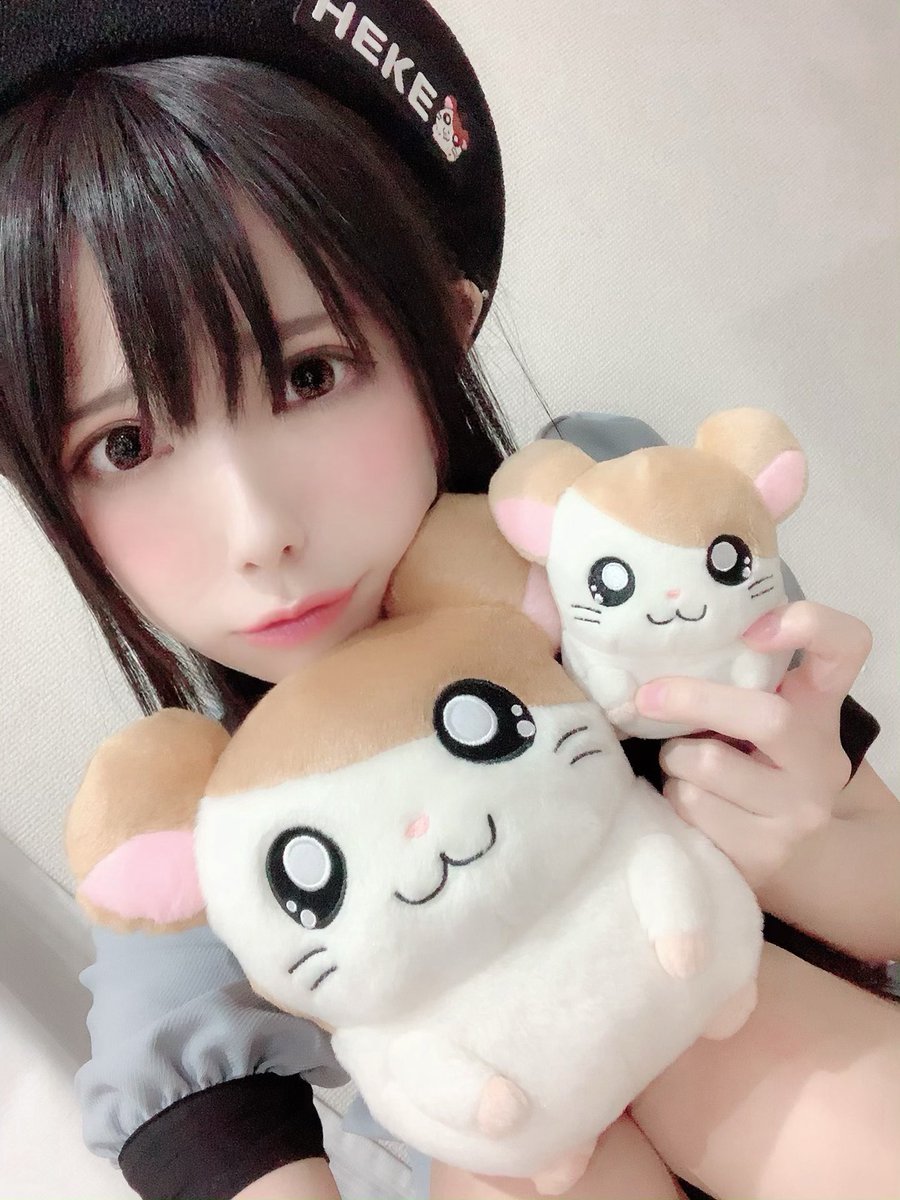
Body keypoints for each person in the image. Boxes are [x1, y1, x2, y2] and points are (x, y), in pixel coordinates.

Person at [1, 3, 898, 1199]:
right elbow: (199, 1121)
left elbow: (884, 897)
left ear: (444, 325)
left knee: (716, 1049)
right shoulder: (206, 821)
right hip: (518, 1138)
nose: (258, 529)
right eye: (122, 445)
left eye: (309, 373)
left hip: (790, 1029)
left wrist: (798, 834)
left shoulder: (615, 543)